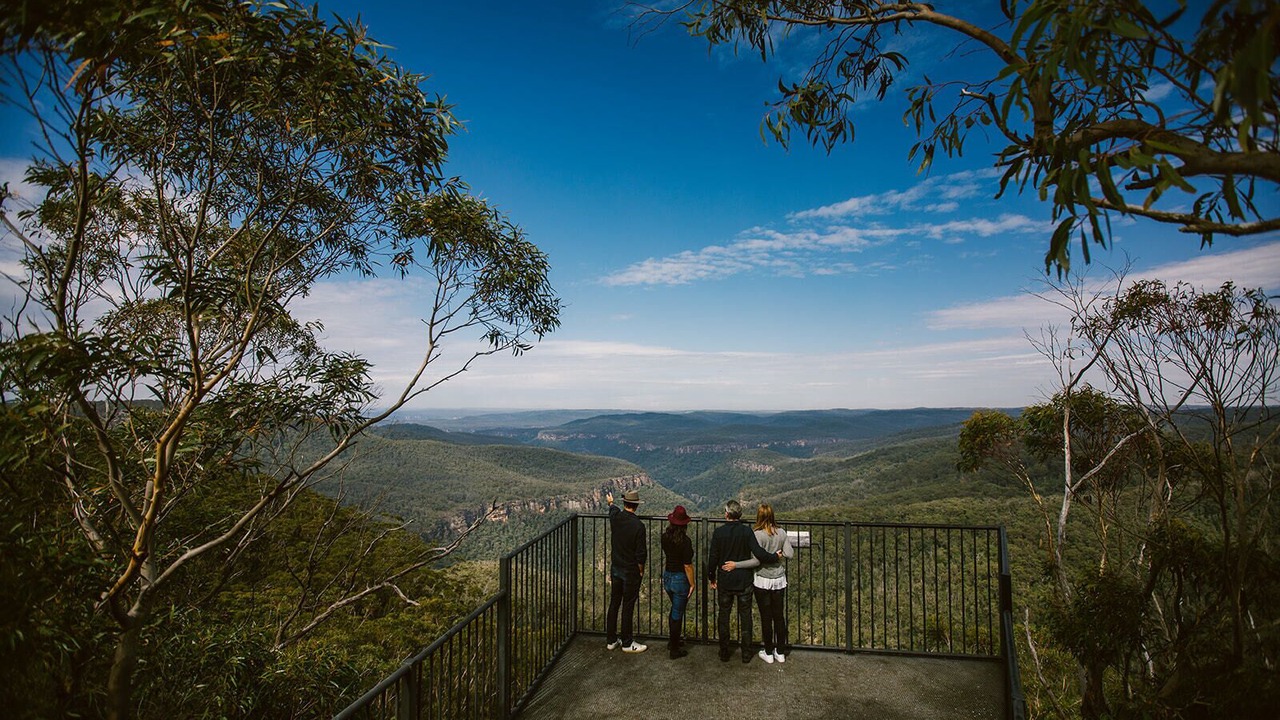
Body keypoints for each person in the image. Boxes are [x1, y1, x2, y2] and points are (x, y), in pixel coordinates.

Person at [707, 499, 779, 663]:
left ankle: (724, 652)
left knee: (724, 615)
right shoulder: (747, 532)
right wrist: (775, 557)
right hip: (744, 581)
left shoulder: (719, 533)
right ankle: (746, 653)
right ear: (739, 515)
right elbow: (759, 553)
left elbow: (713, 558)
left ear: (726, 514)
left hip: (725, 580)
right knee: (745, 616)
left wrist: (711, 577)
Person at [726, 502, 794, 664]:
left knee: (766, 616)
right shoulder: (781, 532)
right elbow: (790, 554)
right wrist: (778, 553)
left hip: (762, 580)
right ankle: (781, 652)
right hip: (778, 580)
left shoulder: (757, 534)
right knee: (779, 616)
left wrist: (736, 565)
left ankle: (769, 652)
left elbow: (756, 561)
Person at [605, 489, 647, 653]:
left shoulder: (616, 518)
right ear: (636, 506)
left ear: (625, 503)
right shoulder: (638, 526)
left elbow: (612, 509)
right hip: (630, 570)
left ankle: (611, 640)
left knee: (614, 602)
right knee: (628, 605)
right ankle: (627, 643)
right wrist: (641, 571)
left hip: (616, 568)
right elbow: (641, 554)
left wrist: (610, 502)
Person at [661, 505, 695, 659]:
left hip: (667, 577)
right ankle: (674, 649)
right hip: (680, 579)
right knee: (677, 613)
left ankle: (672, 641)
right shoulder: (686, 542)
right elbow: (687, 565)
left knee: (674, 610)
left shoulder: (664, 537)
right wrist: (692, 583)